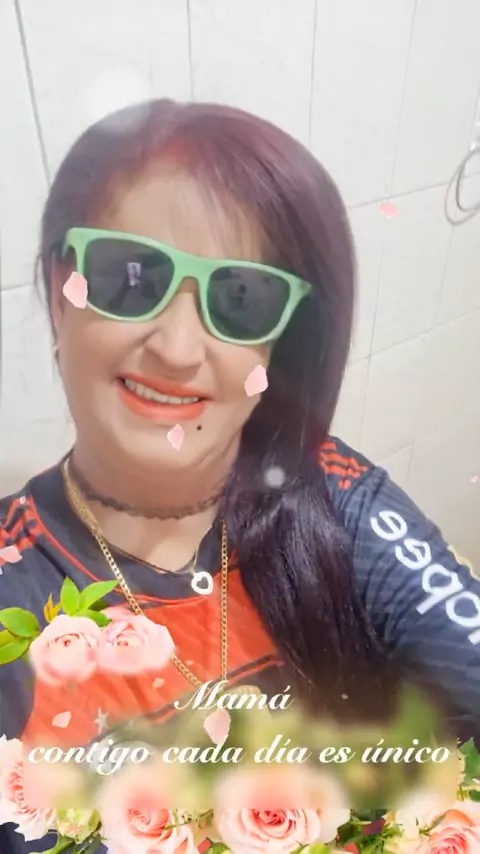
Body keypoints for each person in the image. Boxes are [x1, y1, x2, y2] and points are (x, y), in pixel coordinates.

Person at [0, 99, 479, 852]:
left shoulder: (330, 493)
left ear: (279, 346)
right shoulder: (14, 593)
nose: (177, 348)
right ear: (64, 290)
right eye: (132, 278)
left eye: (241, 300)